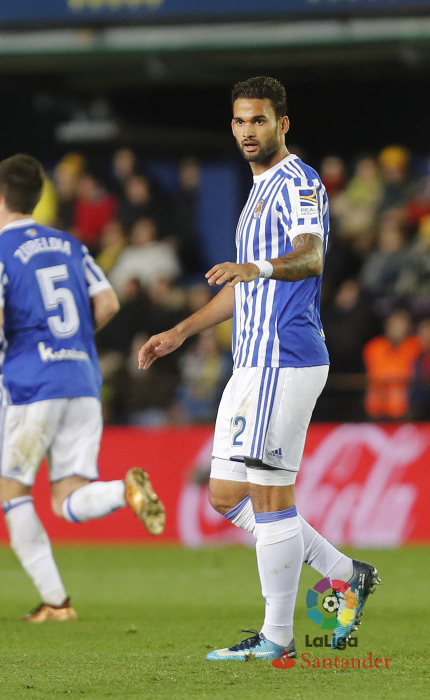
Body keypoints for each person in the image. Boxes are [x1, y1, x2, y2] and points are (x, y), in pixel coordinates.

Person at [138, 76, 380, 660]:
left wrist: (261, 268)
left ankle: (277, 638)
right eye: (241, 121)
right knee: (226, 494)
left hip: (283, 356)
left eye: (260, 120)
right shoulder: (256, 191)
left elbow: (310, 255)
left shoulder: (299, 181)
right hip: (250, 363)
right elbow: (241, 287)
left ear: (282, 124)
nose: (249, 131)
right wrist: (180, 332)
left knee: (271, 497)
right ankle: (346, 575)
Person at [0, 154, 165, 623]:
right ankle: (123, 492)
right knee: (68, 499)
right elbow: (107, 303)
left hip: (30, 385)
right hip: (82, 381)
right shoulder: (71, 245)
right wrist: (69, 341)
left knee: (13, 493)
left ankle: (56, 602)